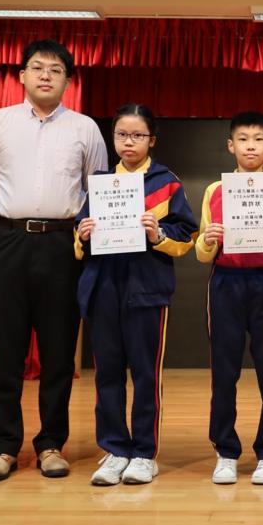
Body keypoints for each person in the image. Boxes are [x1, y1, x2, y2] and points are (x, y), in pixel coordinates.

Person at [0, 39, 107, 482]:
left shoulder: (85, 128)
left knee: (58, 354)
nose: (46, 75)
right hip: (6, 241)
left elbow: (96, 189)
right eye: (37, 67)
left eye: (56, 69)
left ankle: (51, 444)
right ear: (21, 75)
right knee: (5, 353)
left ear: (68, 80)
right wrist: (9, 224)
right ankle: (3, 447)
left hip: (62, 245)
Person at [77, 104, 197, 486]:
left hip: (147, 287)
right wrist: (83, 234)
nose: (129, 142)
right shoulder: (100, 183)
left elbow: (187, 236)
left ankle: (144, 453)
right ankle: (115, 449)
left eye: (137, 135)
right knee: (107, 373)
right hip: (104, 286)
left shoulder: (166, 182)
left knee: (146, 374)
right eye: (121, 135)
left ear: (152, 140)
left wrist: (157, 234)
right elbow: (79, 240)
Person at [195, 111, 263, 485]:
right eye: (243, 139)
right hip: (225, 282)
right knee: (224, 373)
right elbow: (201, 252)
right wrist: (208, 239)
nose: (250, 146)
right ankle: (225, 451)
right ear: (231, 146)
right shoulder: (215, 190)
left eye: (258, 140)